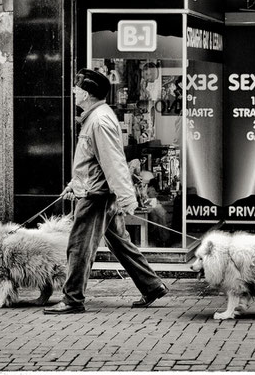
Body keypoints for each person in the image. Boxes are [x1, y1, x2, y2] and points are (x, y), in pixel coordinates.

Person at [44, 68, 168, 315]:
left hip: (96, 196)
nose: (74, 92)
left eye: (77, 88)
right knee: (120, 243)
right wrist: (74, 184)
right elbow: (93, 160)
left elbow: (113, 161)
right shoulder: (95, 116)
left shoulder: (98, 120)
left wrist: (126, 198)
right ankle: (152, 286)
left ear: (87, 93)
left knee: (79, 247)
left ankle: (72, 299)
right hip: (97, 191)